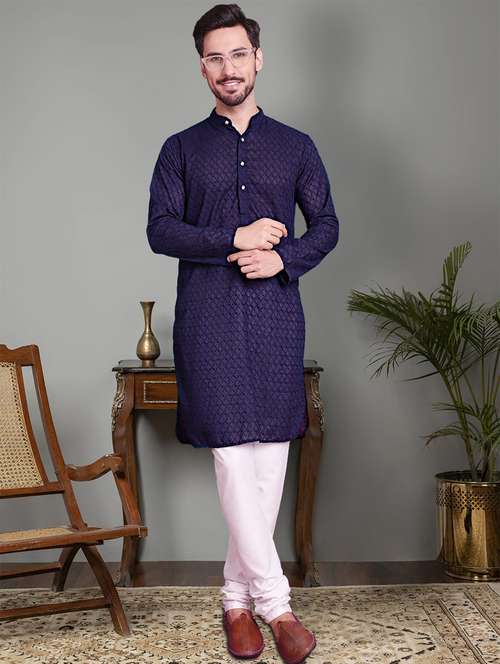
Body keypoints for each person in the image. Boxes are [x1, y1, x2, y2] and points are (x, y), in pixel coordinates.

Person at [146, 4, 340, 661]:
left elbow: (327, 226)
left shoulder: (296, 146)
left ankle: (235, 601)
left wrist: (283, 259)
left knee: (268, 465)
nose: (227, 68)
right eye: (214, 57)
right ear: (201, 67)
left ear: (258, 59)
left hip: (275, 317)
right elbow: (160, 230)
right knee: (232, 458)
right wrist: (235, 235)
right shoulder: (179, 149)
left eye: (237, 54)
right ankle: (277, 609)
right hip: (207, 320)